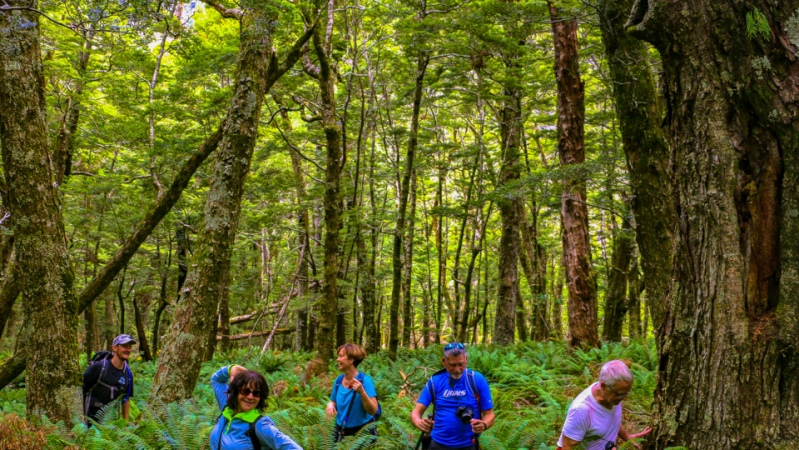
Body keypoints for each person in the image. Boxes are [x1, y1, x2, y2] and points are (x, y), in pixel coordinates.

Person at [411, 342, 495, 450]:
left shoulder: (476, 380)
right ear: (444, 362)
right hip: (437, 443)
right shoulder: (435, 381)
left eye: (461, 364)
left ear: (466, 359)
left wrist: (484, 425)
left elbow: (489, 414)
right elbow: (416, 412)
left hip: (468, 444)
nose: (457, 369)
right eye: (452, 365)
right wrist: (419, 422)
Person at [556, 360, 652, 450]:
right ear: (602, 386)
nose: (624, 398)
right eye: (619, 394)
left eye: (626, 393)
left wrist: (627, 436)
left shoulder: (611, 393)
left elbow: (612, 419)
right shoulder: (582, 410)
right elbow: (566, 447)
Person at [210, 364, 302, 450]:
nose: (250, 397)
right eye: (245, 391)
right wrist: (231, 369)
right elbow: (216, 380)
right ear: (236, 391)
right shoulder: (227, 407)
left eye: (256, 393)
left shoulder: (260, 425)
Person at [325, 343, 379, 442]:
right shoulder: (338, 381)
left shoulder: (365, 381)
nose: (337, 359)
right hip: (341, 430)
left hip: (362, 431)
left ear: (351, 360)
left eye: (341, 356)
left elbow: (373, 410)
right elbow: (333, 401)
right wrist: (331, 404)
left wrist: (362, 392)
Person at [82, 333, 136, 424]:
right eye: (124, 346)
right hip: (87, 421)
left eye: (129, 347)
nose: (128, 349)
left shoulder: (128, 374)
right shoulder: (99, 367)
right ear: (114, 348)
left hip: (108, 424)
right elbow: (81, 387)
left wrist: (125, 424)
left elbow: (126, 399)